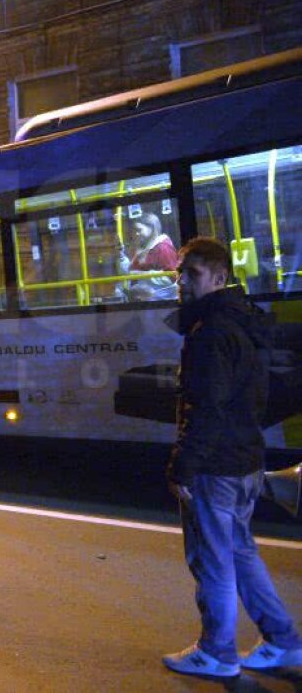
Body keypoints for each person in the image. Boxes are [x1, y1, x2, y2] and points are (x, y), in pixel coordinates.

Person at [161, 237, 302, 678]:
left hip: (216, 464)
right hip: (245, 458)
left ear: (218, 278)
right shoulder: (245, 323)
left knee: (212, 560)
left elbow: (205, 405)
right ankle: (282, 641)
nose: (181, 282)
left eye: (192, 274)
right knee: (240, 552)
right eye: (179, 273)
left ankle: (217, 652)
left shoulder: (211, 332)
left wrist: (183, 465)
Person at [119, 213, 177, 301]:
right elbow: (130, 271)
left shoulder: (163, 247)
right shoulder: (144, 249)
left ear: (152, 228)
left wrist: (141, 275)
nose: (136, 234)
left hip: (161, 302)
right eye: (134, 231)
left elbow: (171, 278)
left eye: (139, 230)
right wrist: (121, 256)